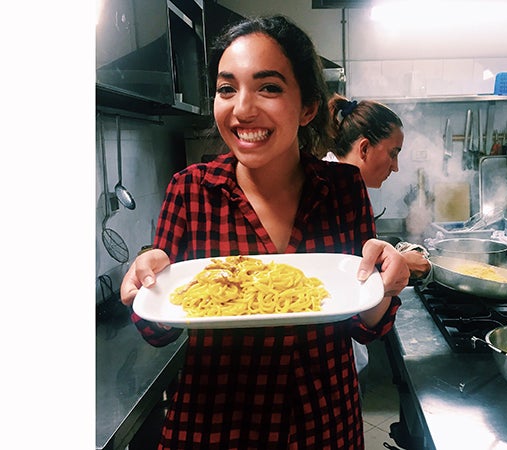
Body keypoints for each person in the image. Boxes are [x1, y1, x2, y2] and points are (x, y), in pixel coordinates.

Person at [119, 15, 409, 449]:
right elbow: (159, 332)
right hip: (215, 425)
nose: (242, 108)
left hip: (322, 421)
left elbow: (366, 326)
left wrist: (385, 284)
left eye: (268, 87)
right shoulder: (190, 188)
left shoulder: (343, 189)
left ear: (308, 106)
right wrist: (145, 282)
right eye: (226, 88)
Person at [325, 94, 432, 281]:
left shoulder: (346, 185)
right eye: (393, 154)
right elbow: (338, 272)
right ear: (364, 149)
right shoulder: (330, 189)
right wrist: (401, 262)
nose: (396, 167)